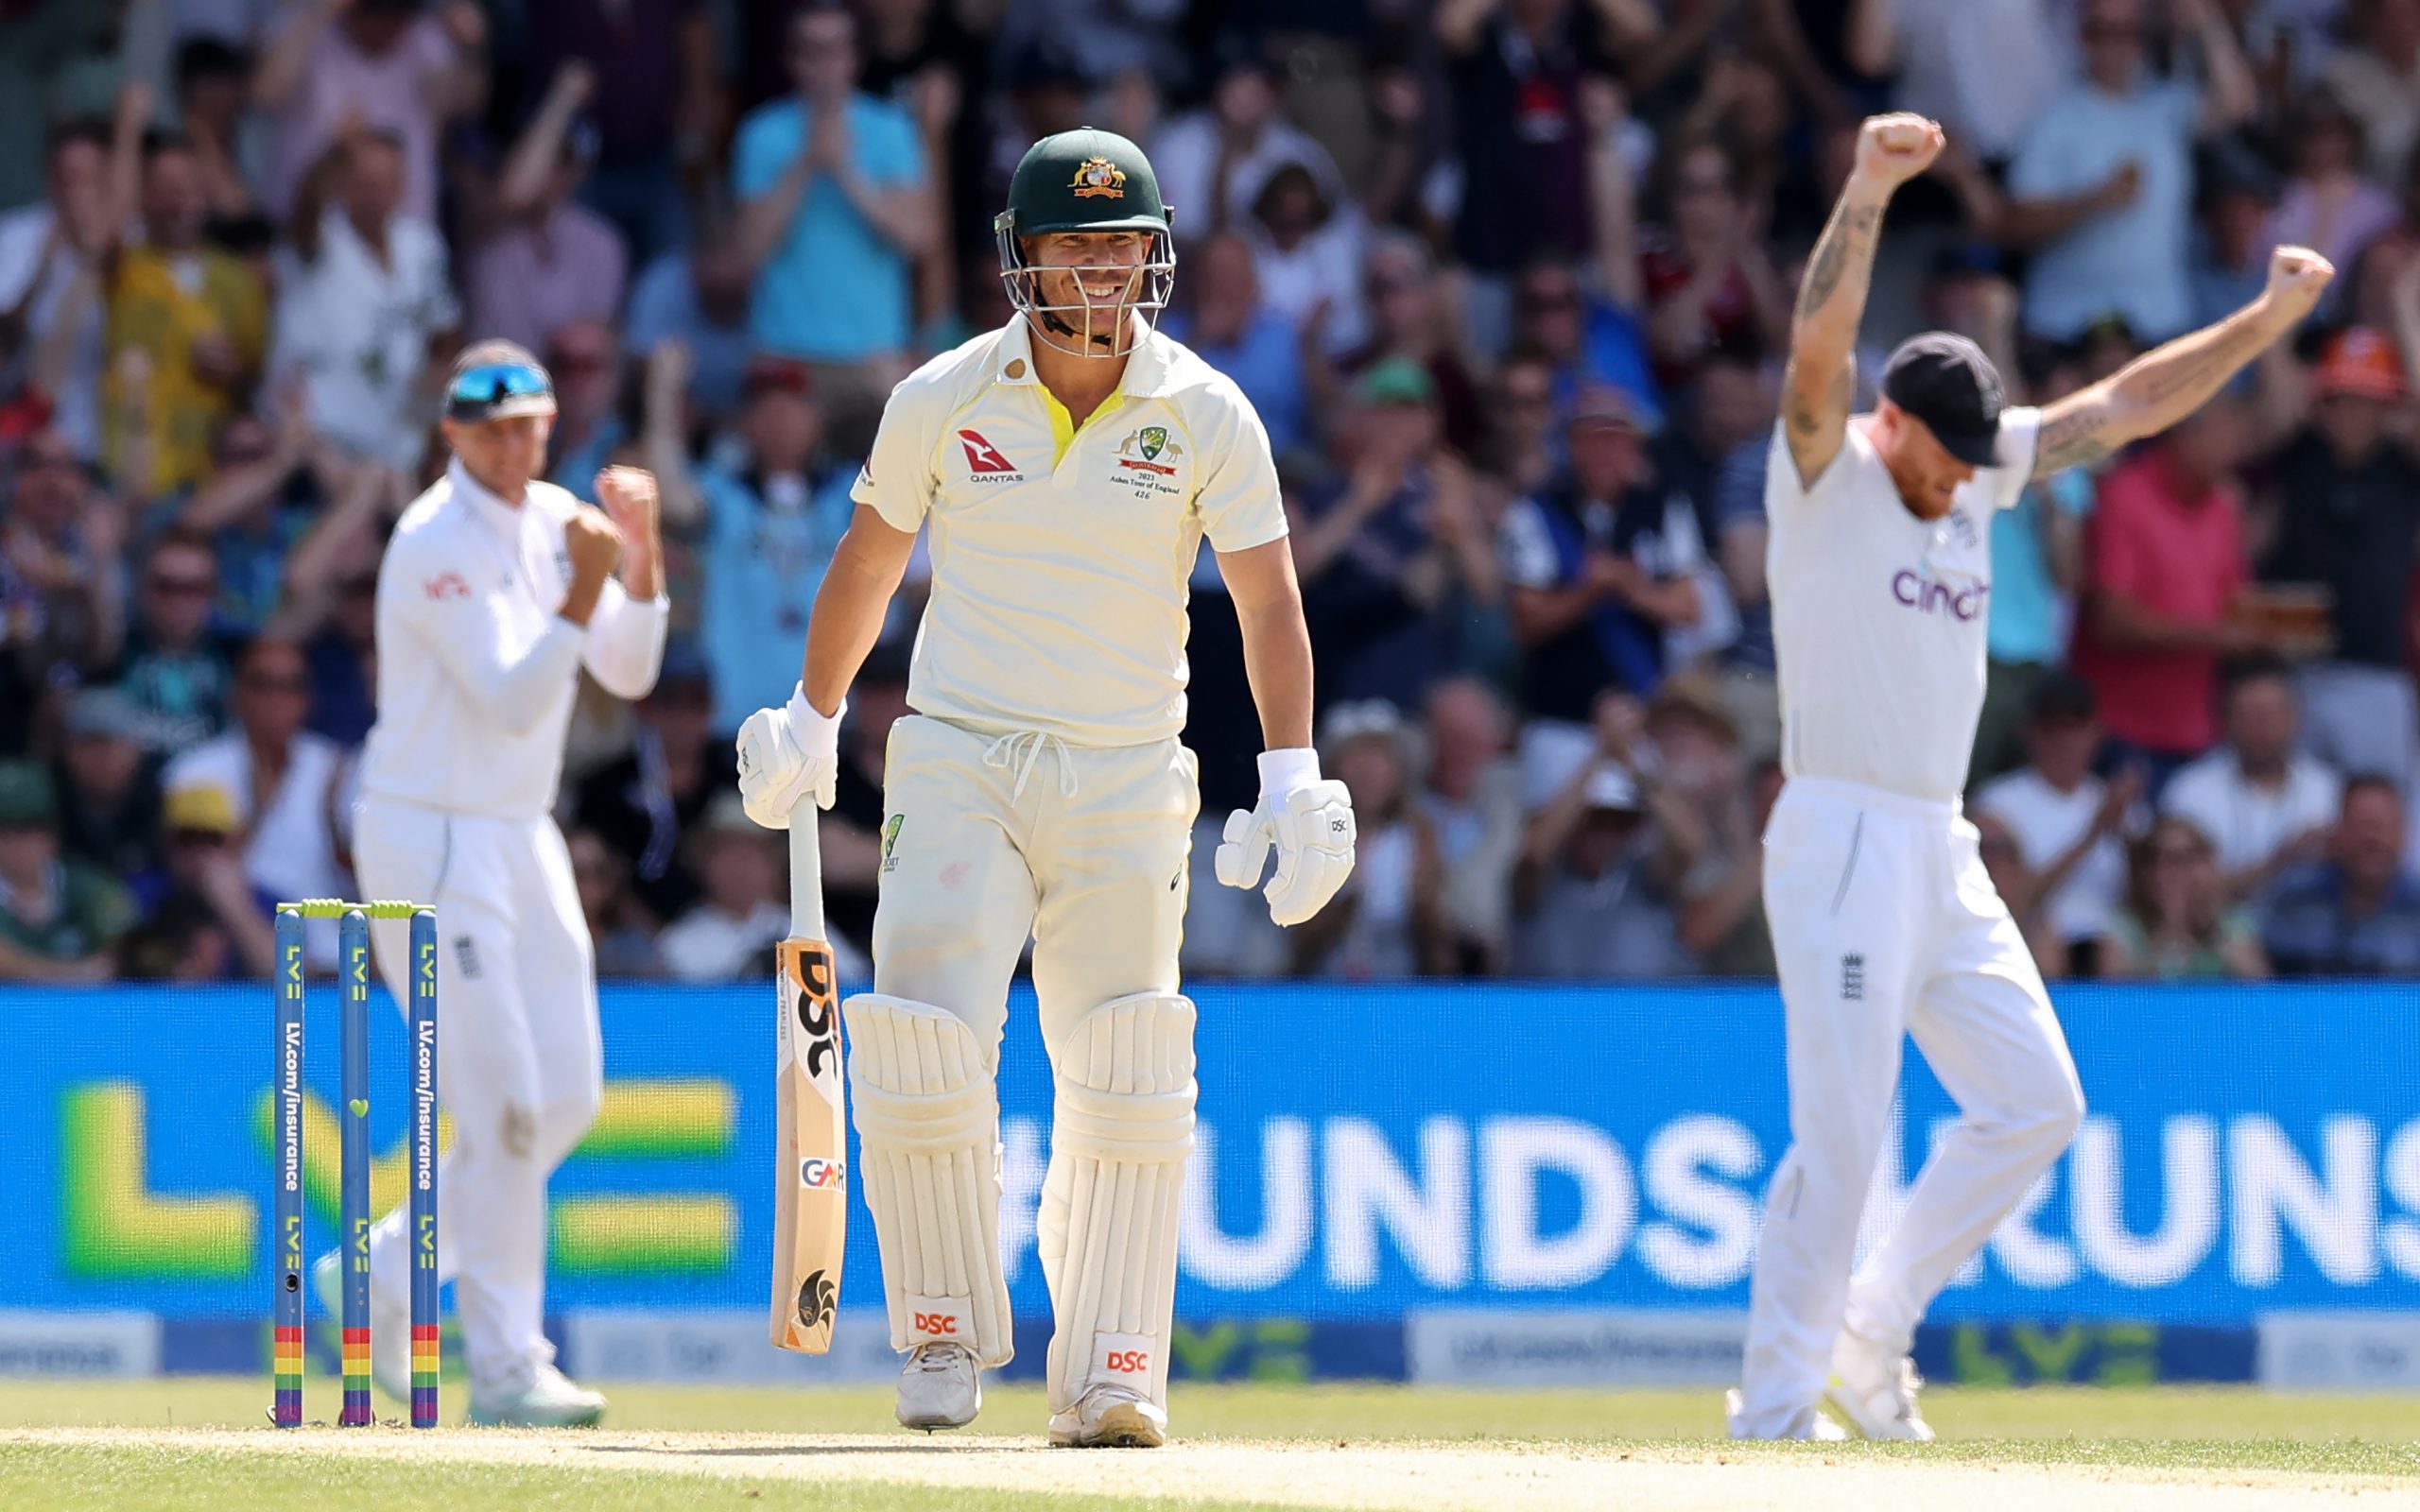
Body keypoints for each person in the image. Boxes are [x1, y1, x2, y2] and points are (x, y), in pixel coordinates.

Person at [733, 129, 1351, 1448]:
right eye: (1076, 245)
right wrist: (813, 713)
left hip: (1128, 772)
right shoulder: (944, 396)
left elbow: (1267, 602)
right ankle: (942, 1332)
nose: (1104, 269)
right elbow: (868, 561)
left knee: (1129, 1060)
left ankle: (1113, 1368)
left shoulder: (1207, 411)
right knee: (922, 1038)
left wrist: (1292, 770)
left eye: (1125, 243)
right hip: (962, 755)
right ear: (1023, 257)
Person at [1736, 112, 2333, 1444]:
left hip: (1938, 842)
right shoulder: (1824, 469)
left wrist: (2261, 321)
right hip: (1838, 829)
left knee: (2036, 1104)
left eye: (1975, 458)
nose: (1962, 481)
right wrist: (1869, 185)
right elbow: (1817, 347)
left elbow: (2121, 407)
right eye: (1942, 457)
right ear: (1889, 423)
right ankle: (1771, 1416)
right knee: (1844, 1137)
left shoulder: (1977, 469)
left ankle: (1872, 1334)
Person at [337, 340, 668, 1428]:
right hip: (430, 835)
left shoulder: (555, 517)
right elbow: (513, 697)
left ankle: (387, 1265)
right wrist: (587, 582)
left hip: (521, 832)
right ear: (453, 433)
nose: (515, 445)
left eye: (529, 424)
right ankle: (508, 1364)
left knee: (564, 1095)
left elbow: (629, 669)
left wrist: (640, 555)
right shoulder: (432, 539)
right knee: (506, 1112)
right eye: (492, 428)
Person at [2261, 775, 2420, 976]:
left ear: (2403, 835)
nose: (2372, 839)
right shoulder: (2295, 899)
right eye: (2362, 825)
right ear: (2337, 831)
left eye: (2381, 827)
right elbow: (2263, 973)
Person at [2099, 815, 2268, 980]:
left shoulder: (2230, 921)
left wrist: (2210, 935)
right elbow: (2112, 993)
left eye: (2181, 859)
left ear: (2208, 864)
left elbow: (2260, 988)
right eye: (2154, 859)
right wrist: (2169, 931)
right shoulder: (2124, 925)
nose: (2168, 872)